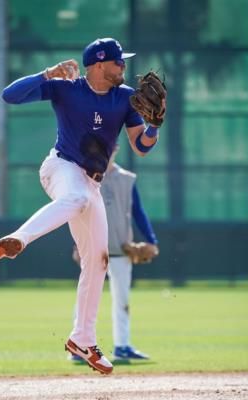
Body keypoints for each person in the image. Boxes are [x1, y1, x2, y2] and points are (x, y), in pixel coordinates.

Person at [0, 38, 161, 375]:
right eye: (117, 62)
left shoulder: (124, 98)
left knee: (98, 260)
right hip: (61, 168)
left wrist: (154, 125)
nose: (123, 67)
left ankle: (83, 338)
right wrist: (47, 73)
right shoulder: (66, 88)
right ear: (98, 64)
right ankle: (18, 240)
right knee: (76, 198)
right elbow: (10, 96)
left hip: (92, 181)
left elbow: (141, 146)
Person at [70, 145, 159, 363]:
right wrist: (77, 244)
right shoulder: (85, 176)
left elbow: (138, 211)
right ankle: (78, 346)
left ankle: (122, 346)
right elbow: (74, 211)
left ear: (116, 148)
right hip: (93, 247)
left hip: (121, 248)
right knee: (87, 296)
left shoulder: (127, 179)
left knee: (122, 300)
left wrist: (151, 240)